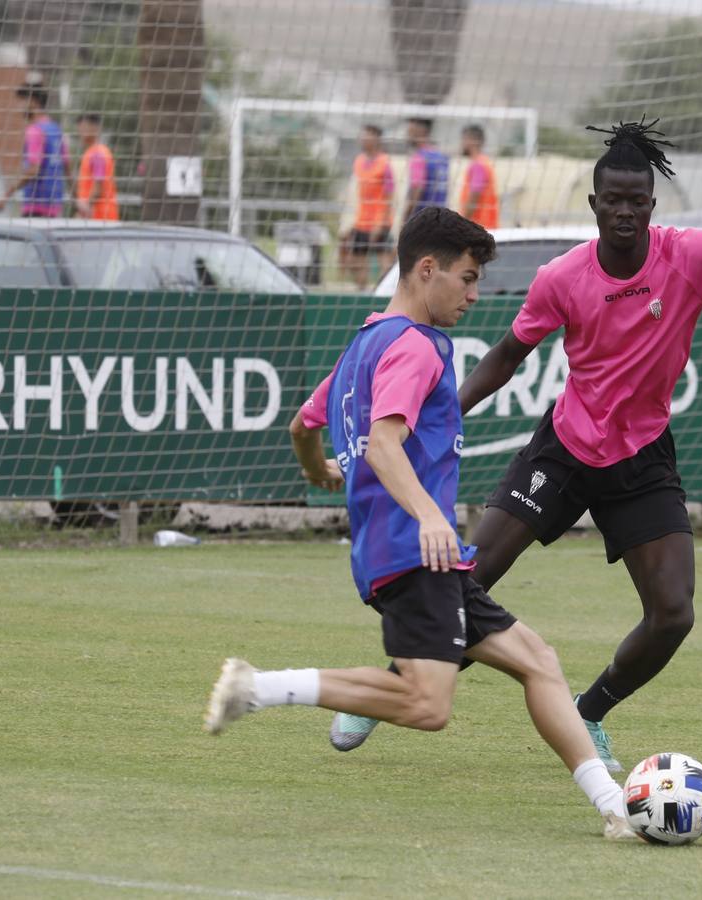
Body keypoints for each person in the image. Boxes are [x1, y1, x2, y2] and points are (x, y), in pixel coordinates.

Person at [326, 118, 702, 770]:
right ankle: (390, 684)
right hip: (563, 448)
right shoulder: (563, 277)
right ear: (593, 204)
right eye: (611, 200)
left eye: (635, 201)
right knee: (470, 577)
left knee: (674, 615)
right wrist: (431, 414)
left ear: (651, 205)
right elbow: (506, 357)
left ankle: (590, 711)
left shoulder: (693, 256)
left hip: (642, 457)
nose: (623, 211)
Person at [204, 206, 637, 841]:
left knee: (538, 662)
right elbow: (383, 443)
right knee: (427, 704)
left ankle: (614, 807)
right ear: (425, 269)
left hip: (416, 554)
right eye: (465, 278)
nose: (474, 293)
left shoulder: (364, 345)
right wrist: (431, 516)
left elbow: (302, 424)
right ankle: (259, 687)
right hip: (414, 551)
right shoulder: (415, 346)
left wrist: (319, 470)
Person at [0, 78, 71, 217]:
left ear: (33, 102)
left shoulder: (35, 130)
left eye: (22, 102)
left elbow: (33, 170)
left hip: (36, 206)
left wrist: (7, 194)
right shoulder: (56, 129)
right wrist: (78, 200)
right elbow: (67, 166)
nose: (19, 107)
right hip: (54, 206)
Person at [339, 124, 395, 290]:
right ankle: (363, 292)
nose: (362, 139)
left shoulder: (385, 163)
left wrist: (381, 223)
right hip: (361, 221)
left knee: (385, 261)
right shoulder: (359, 161)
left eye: (367, 136)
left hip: (380, 221)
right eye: (361, 136)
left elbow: (389, 195)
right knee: (356, 261)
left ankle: (383, 293)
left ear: (377, 139)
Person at [74, 114, 118, 221]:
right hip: (100, 216)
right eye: (80, 128)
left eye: (85, 127)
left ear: (96, 128)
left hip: (98, 217)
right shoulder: (96, 151)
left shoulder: (97, 153)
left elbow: (99, 187)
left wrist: (84, 209)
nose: (81, 132)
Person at [403, 117, 449, 220]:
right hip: (443, 218)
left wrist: (406, 218)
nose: (407, 135)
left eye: (410, 131)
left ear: (421, 131)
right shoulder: (442, 157)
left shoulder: (419, 157)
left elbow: (417, 191)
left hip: (423, 221)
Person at [458, 123, 499, 229]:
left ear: (471, 140)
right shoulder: (484, 162)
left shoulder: (478, 165)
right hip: (486, 227)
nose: (462, 144)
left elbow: (473, 199)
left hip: (479, 228)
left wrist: (460, 226)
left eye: (463, 140)